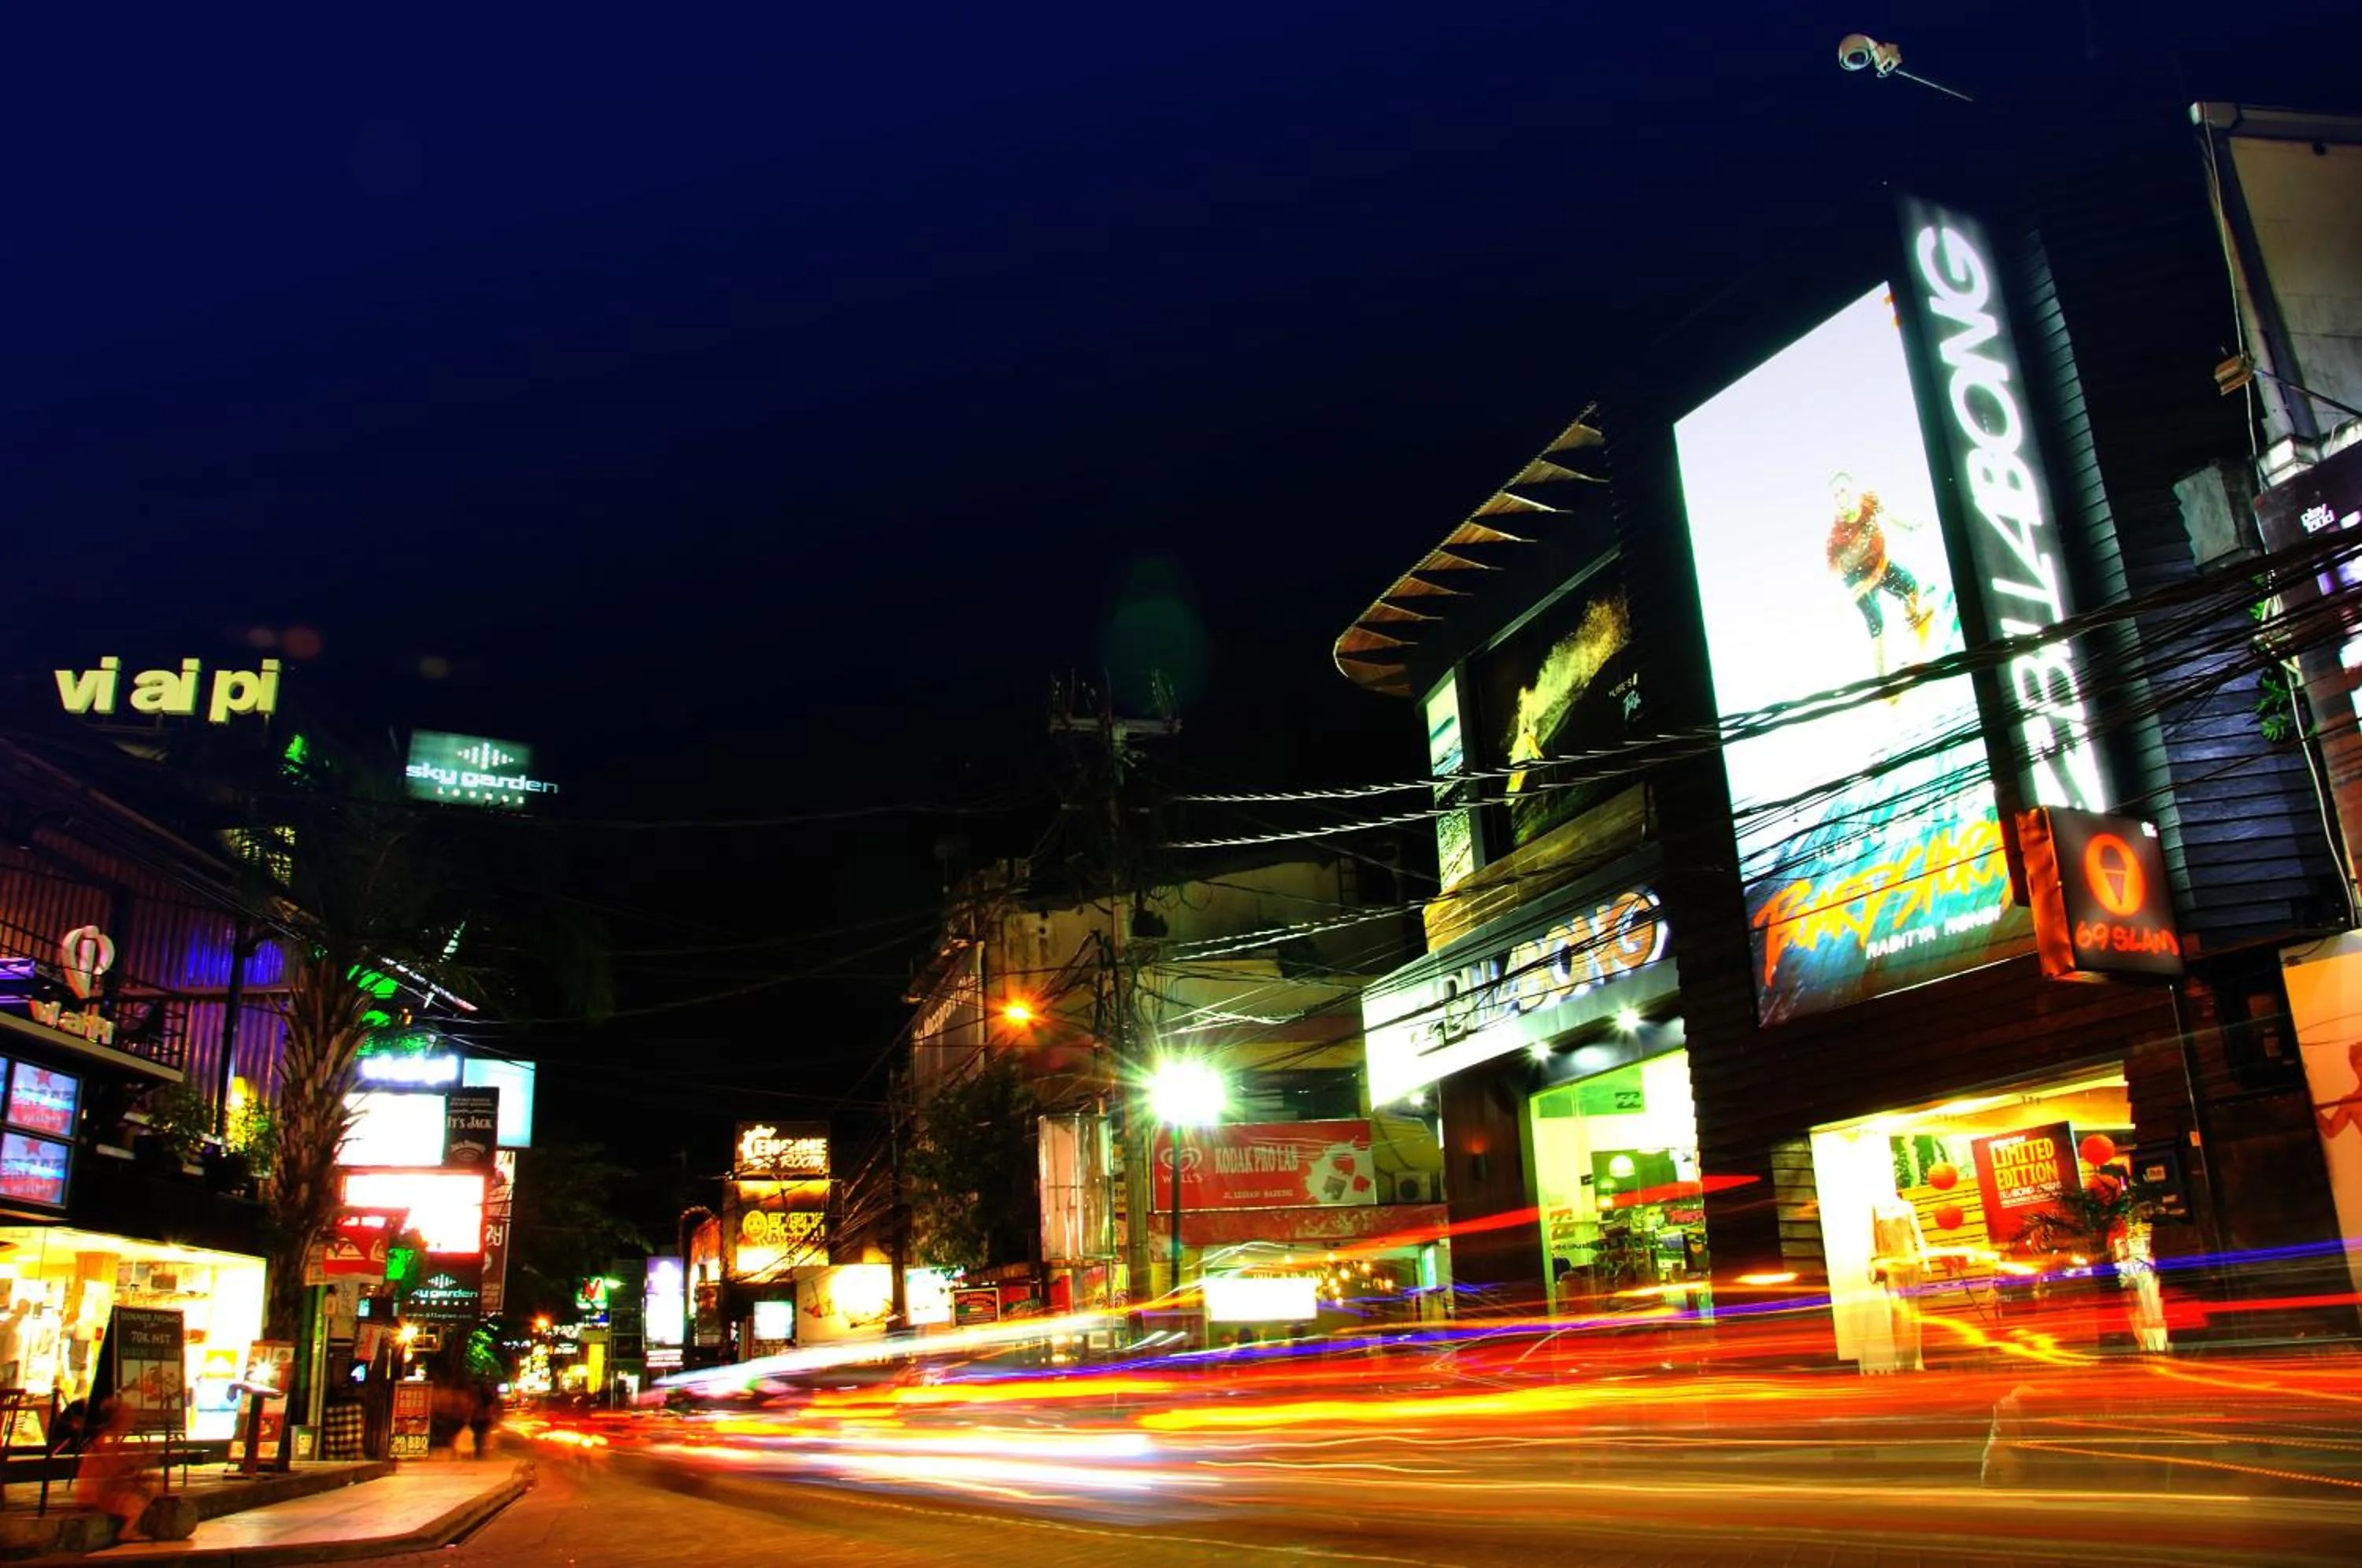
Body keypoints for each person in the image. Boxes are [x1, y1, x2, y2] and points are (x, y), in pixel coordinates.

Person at [1825, 472, 1933, 679]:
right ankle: (1883, 680)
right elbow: (1833, 577)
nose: (1840, 498)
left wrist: (1909, 526)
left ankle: (1915, 621)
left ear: (1854, 492)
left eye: (1843, 491)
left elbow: (1888, 515)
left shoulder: (1869, 501)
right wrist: (1839, 603)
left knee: (1911, 586)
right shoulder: (1836, 538)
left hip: (1881, 564)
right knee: (1876, 621)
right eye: (1836, 495)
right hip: (1858, 580)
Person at [467, 1377, 498, 1459]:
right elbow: (490, 1405)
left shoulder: (473, 1393)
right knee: (481, 1434)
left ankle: (478, 1451)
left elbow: (471, 1405)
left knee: (477, 1434)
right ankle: (479, 1450)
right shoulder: (485, 1394)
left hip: (476, 1417)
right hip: (483, 1416)